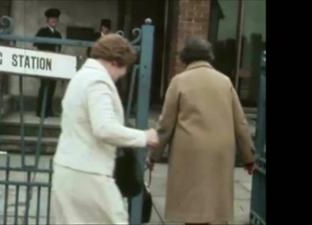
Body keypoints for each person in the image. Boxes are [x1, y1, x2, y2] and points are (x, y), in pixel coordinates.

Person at [51, 34, 159, 224]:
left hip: (67, 170)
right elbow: (104, 128)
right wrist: (144, 136)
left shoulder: (80, 78)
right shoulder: (98, 82)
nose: (122, 75)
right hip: (90, 174)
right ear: (116, 62)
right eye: (124, 68)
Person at [148, 37, 256, 225]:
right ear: (209, 56)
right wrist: (248, 157)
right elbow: (241, 123)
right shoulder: (225, 82)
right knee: (211, 205)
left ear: (185, 58)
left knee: (193, 207)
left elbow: (166, 124)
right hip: (220, 152)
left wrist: (153, 155)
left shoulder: (178, 82)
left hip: (190, 152)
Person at [34, 8, 62, 117]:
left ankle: (48, 110)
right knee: (44, 86)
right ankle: (40, 111)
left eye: (55, 19)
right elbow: (37, 45)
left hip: (55, 64)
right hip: (45, 62)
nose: (54, 21)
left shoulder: (58, 34)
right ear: (47, 20)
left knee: (52, 87)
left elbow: (59, 49)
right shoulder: (42, 31)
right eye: (52, 19)